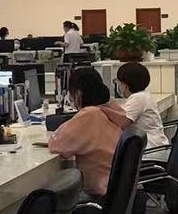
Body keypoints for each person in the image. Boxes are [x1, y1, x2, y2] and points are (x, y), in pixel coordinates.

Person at [47, 64, 130, 196]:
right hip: (117, 188)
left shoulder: (90, 114)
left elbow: (57, 145)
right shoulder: (111, 109)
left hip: (100, 191)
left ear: (78, 94)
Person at [114, 60, 168, 149]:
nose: (119, 86)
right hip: (153, 146)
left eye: (120, 83)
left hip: (150, 149)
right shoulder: (143, 95)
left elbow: (122, 122)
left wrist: (105, 107)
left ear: (126, 85)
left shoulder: (138, 98)